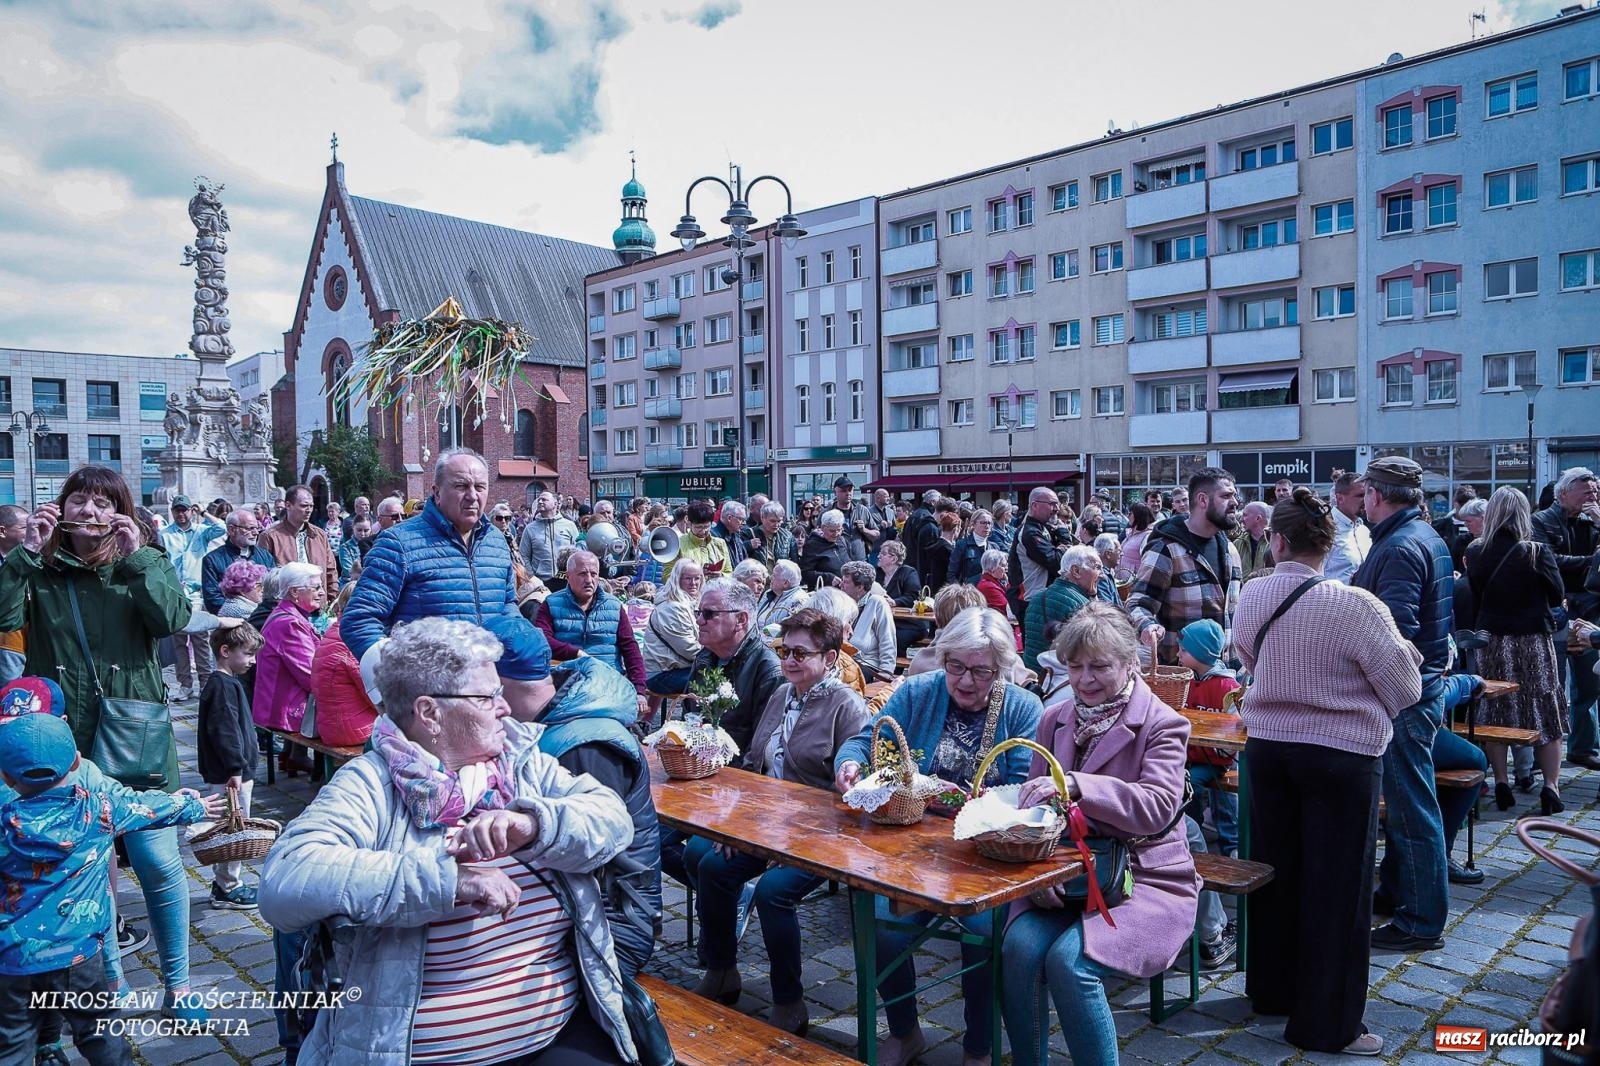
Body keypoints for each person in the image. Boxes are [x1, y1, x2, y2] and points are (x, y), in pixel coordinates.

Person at [258, 617, 639, 1065]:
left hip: (557, 1031)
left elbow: (613, 820)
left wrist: (535, 826)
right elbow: (285, 880)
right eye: (487, 696)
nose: (504, 708)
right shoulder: (373, 783)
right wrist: (449, 881)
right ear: (429, 713)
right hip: (416, 1050)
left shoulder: (521, 765)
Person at [0, 465, 203, 1017]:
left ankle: (178, 986)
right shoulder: (37, 569)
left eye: (102, 502)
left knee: (158, 862)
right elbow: (2, 616)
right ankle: (111, 985)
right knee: (89, 866)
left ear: (119, 512)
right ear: (61, 508)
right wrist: (23, 554)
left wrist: (140, 557)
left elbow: (172, 621)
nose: (88, 512)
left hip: (135, 731)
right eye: (78, 500)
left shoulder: (142, 563)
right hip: (65, 741)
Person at [1235, 488, 1423, 1054]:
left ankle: (1272, 989)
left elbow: (1248, 658)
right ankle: (1327, 1024)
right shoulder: (1357, 605)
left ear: (1278, 541)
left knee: (1276, 872)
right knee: (1338, 888)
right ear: (1328, 543)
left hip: (1268, 746)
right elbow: (1405, 688)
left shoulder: (1252, 594)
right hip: (1340, 755)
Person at [833, 608, 1042, 1066]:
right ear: (943, 658)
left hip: (987, 858)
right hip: (915, 849)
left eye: (981, 670)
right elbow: (865, 739)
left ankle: (978, 1046)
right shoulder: (920, 691)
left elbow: (1026, 794)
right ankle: (906, 1031)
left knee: (985, 935)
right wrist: (848, 765)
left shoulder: (1023, 708)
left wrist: (983, 802)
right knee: (881, 927)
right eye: (956, 666)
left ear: (1001, 667)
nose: (966, 681)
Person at [1000, 602, 1197, 1066]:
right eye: (1074, 667)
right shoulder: (1055, 718)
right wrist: (1040, 872)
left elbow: (1157, 806)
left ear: (1131, 664)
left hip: (1143, 879)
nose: (1085, 679)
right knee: (1019, 949)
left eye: (1100, 667)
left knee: (1071, 964)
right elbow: (1034, 808)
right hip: (1064, 872)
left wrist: (1076, 785)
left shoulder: (1163, 724)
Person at [685, 609, 870, 1035]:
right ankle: (722, 968)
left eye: (800, 653)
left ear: (829, 658)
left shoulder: (846, 705)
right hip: (764, 820)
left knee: (773, 892)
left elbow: (852, 789)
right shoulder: (781, 695)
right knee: (706, 858)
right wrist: (734, 823)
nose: (789, 660)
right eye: (785, 650)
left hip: (820, 831)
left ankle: (789, 997)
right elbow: (753, 766)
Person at [0, 713, 222, 1066]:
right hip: (80, 958)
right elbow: (148, 807)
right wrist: (192, 805)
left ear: (6, 777)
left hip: (12, 962)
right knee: (99, 1033)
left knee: (12, 1046)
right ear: (76, 762)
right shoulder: (98, 810)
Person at [488, 613, 658, 981]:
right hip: (572, 905)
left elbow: (593, 856)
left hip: (611, 923)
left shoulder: (584, 744)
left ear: (497, 684)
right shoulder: (551, 722)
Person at [1351, 456, 1455, 954]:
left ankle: (1420, 919)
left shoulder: (1400, 545)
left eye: (1365, 490)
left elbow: (1394, 635)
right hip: (1420, 690)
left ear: (1376, 494)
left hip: (1406, 697)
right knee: (1408, 805)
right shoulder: (1419, 536)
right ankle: (1399, 894)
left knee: (1412, 809)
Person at [342, 449, 518, 662]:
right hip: (427, 689)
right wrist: (398, 677)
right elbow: (360, 620)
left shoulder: (496, 541)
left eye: (480, 487)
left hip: (489, 683)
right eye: (461, 486)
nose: (472, 495)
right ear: (437, 492)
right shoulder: (398, 542)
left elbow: (508, 606)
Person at [1463, 487, 1569, 814]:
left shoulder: (1476, 550)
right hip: (1534, 640)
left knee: (1494, 710)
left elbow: (1475, 593)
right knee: (1545, 710)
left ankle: (1501, 781)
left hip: (1492, 639)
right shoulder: (1536, 551)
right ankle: (1550, 786)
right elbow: (1557, 594)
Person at [1127, 467, 1243, 666]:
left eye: (1234, 496)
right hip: (1182, 679)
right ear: (1203, 500)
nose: (1235, 503)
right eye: (1226, 496)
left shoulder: (1230, 549)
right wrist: (1148, 626)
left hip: (1227, 676)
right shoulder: (1166, 549)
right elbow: (1137, 604)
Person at [1177, 619, 1242, 966]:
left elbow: (1232, 726)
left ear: (1200, 654)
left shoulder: (1226, 685)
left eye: (1184, 650)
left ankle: (1231, 847)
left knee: (1221, 798)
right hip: (1193, 757)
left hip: (1216, 759)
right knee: (1189, 784)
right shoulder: (1186, 683)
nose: (1178, 653)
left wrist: (1220, 752)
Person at [1531, 468, 1600, 770]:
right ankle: (1545, 752)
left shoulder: (1593, 521)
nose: (1593, 497)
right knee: (1552, 684)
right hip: (1556, 610)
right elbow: (1548, 560)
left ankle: (1583, 747)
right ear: (1564, 493)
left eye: (1595, 492)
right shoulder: (1542, 520)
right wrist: (1592, 560)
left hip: (1589, 610)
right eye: (1587, 492)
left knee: (1588, 684)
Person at [198, 621, 264, 910]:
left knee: (232, 826)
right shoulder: (223, 686)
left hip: (230, 772)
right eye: (248, 654)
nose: (252, 661)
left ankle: (226, 882)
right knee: (233, 829)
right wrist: (235, 769)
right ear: (226, 651)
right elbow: (225, 731)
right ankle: (228, 887)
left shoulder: (225, 683)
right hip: (230, 775)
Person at [534, 551, 648, 718]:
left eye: (593, 574)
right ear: (568, 576)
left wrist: (639, 689)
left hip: (608, 683)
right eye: (582, 574)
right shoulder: (551, 604)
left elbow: (631, 649)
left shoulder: (614, 605)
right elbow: (541, 640)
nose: (589, 580)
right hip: (567, 685)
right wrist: (576, 653)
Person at [680, 577, 784, 760]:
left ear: (741, 620)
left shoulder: (768, 670)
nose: (698, 620)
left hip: (737, 776)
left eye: (709, 614)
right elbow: (688, 717)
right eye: (698, 612)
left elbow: (759, 750)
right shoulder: (704, 658)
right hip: (696, 766)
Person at [255, 562, 324, 775]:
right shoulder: (290, 624)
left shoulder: (286, 615)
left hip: (280, 701)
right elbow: (312, 675)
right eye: (316, 588)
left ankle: (295, 755)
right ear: (294, 592)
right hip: (283, 709)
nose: (322, 593)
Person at [159, 494, 226, 700]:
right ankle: (185, 684)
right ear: (172, 512)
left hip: (198, 592)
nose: (181, 514)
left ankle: (205, 682)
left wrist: (204, 513)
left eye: (185, 510)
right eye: (178, 510)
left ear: (190, 511)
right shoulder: (164, 534)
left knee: (201, 639)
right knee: (179, 641)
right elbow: (162, 561)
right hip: (176, 592)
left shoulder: (201, 531)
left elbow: (222, 528)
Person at [259, 485, 338, 601]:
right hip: (285, 607)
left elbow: (331, 571)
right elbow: (262, 575)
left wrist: (332, 601)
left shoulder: (319, 535)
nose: (309, 510)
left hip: (318, 607)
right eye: (304, 506)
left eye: (311, 506)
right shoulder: (270, 536)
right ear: (288, 505)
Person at [1008, 487, 1068, 631]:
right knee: (1037, 647)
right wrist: (1063, 539)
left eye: (1057, 504)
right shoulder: (1030, 532)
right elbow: (1057, 562)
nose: (1057, 509)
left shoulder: (1042, 528)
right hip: (1030, 601)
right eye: (1052, 504)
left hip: (1041, 598)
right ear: (1034, 505)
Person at [641, 559, 703, 697]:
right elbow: (689, 650)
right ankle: (697, 718)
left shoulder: (690, 603)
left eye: (697, 578)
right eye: (688, 578)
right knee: (717, 680)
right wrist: (719, 656)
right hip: (661, 675)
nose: (693, 583)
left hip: (678, 668)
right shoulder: (673, 608)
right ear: (677, 579)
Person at [202, 510, 275, 614]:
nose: (255, 533)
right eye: (250, 528)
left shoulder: (265, 555)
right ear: (232, 530)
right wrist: (239, 612)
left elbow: (273, 588)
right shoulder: (212, 560)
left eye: (257, 528)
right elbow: (213, 599)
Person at [839, 561, 895, 682]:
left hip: (867, 666)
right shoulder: (843, 603)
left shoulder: (877, 603)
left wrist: (886, 671)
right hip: (843, 662)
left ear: (860, 587)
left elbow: (888, 639)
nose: (841, 585)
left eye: (846, 582)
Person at [519, 490, 579, 588]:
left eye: (544, 499)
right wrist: (532, 577)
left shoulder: (569, 525)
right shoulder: (530, 528)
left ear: (555, 503)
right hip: (540, 582)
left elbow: (578, 552)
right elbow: (523, 555)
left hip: (566, 580)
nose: (540, 502)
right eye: (539, 500)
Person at [1325, 469, 1371, 584]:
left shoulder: (1364, 530)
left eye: (1368, 494)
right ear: (1340, 498)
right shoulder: (1324, 529)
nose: (1366, 499)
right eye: (1360, 495)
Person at [0, 506, 30, 684]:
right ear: (2, 531)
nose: (33, 530)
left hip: (24, 642)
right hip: (7, 644)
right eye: (25, 527)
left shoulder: (32, 558)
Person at [831, 477, 882, 563]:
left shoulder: (862, 510)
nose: (848, 493)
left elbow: (876, 534)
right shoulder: (828, 513)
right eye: (843, 490)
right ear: (835, 492)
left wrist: (864, 530)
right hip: (837, 562)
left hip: (860, 561)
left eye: (850, 490)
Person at [799, 509, 852, 589]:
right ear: (823, 528)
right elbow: (805, 573)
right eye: (832, 531)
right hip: (825, 592)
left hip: (844, 591)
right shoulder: (812, 545)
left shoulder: (842, 540)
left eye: (839, 530)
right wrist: (828, 578)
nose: (836, 534)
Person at [755, 559, 809, 632]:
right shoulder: (769, 593)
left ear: (785, 583)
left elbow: (788, 632)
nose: (770, 578)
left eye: (774, 575)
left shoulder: (799, 601)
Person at [947, 509, 997, 586]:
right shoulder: (962, 545)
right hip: (969, 592)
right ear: (973, 524)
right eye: (983, 522)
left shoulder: (994, 547)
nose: (987, 526)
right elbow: (952, 574)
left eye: (989, 523)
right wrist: (959, 591)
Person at [747, 503, 797, 570]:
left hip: (780, 578)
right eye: (772, 521)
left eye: (779, 521)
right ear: (762, 518)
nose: (776, 525)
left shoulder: (787, 536)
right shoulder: (749, 534)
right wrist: (748, 545)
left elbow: (795, 564)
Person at [1232, 501, 1274, 582]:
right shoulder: (1238, 543)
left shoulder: (1276, 543)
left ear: (1258, 518)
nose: (1241, 519)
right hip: (1243, 593)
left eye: (1245, 515)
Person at [901, 490, 939, 575]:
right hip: (920, 566)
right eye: (939, 501)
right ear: (933, 502)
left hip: (910, 562)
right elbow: (929, 549)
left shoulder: (914, 515)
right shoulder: (927, 519)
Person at [1117, 503, 1156, 573]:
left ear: (1138, 516)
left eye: (1130, 513)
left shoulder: (1147, 536)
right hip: (1124, 580)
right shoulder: (1130, 533)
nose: (1128, 516)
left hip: (1134, 581)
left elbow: (1147, 563)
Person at [975, 549, 1012, 618]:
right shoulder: (987, 586)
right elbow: (1008, 609)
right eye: (1003, 565)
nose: (1006, 568)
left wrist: (1007, 583)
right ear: (993, 567)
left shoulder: (994, 582)